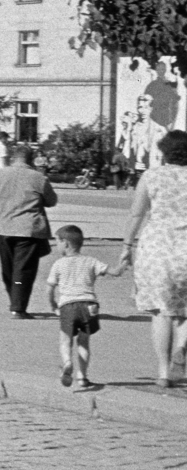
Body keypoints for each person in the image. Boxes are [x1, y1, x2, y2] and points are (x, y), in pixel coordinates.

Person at [112, 129, 187, 388]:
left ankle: (164, 372)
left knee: (161, 311)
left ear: (164, 152)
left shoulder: (152, 176)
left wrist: (126, 245)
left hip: (157, 250)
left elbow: (136, 214)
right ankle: (183, 344)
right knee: (185, 312)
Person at [0, 144, 59, 318]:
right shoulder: (38, 178)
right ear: (30, 159)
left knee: (8, 268)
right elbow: (51, 201)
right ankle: (18, 307)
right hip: (27, 229)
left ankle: (14, 301)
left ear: (13, 157)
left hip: (2, 227)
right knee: (23, 270)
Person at [46, 225, 117, 392]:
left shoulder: (59, 264)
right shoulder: (91, 261)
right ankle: (82, 377)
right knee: (84, 342)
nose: (56, 245)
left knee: (65, 340)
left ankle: (67, 362)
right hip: (89, 305)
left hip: (68, 306)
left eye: (57, 241)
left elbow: (49, 289)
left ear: (65, 243)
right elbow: (113, 271)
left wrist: (53, 306)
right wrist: (122, 265)